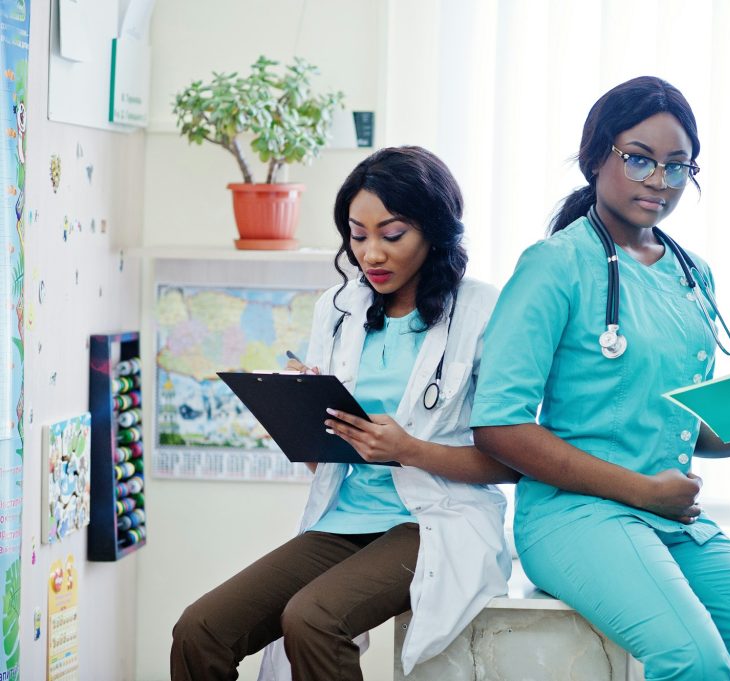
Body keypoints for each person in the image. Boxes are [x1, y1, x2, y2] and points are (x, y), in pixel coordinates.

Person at [471, 77, 730, 680]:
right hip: (576, 517)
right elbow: (499, 426)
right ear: (596, 156)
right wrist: (642, 492)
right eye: (639, 159)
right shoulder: (554, 266)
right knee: (695, 662)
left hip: (670, 517)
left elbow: (682, 425)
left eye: (678, 167)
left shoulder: (693, 274)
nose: (658, 181)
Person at [171, 146, 517, 681]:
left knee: (313, 619)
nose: (371, 254)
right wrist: (301, 419)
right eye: (358, 236)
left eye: (392, 234)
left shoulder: (483, 311)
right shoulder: (338, 308)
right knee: (200, 631)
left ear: (434, 231)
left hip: (433, 519)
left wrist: (409, 450)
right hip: (344, 517)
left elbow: (512, 461)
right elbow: (326, 462)